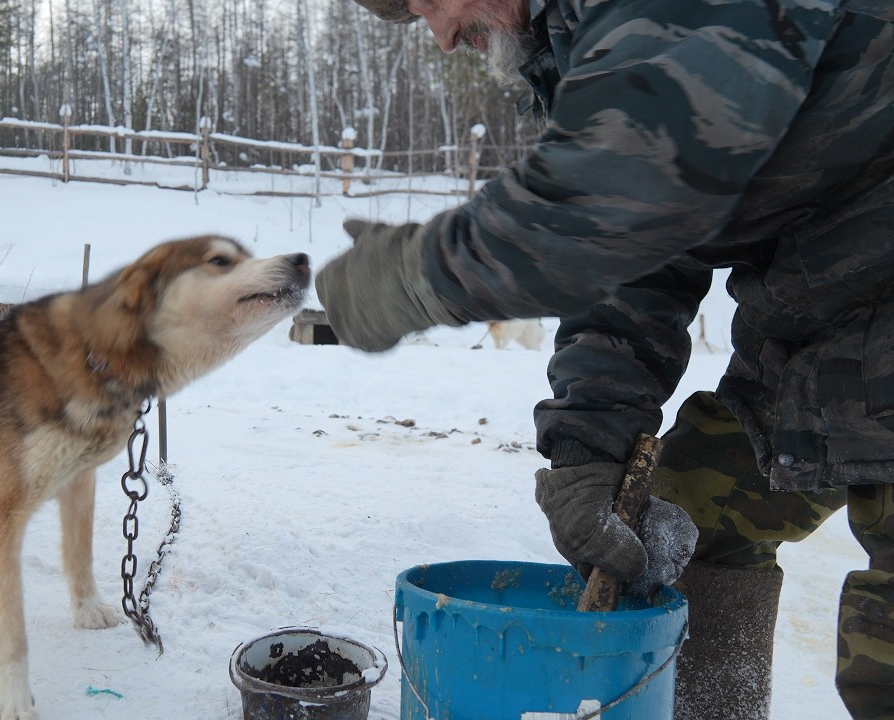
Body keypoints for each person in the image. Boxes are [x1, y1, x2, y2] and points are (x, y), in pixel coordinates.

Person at [319, 1, 894, 718]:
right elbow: (642, 263)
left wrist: (418, 276)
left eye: (431, 1)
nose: (439, 34)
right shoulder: (578, 41)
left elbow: (626, 193)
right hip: (833, 313)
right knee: (694, 518)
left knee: (884, 655)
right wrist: (591, 445)